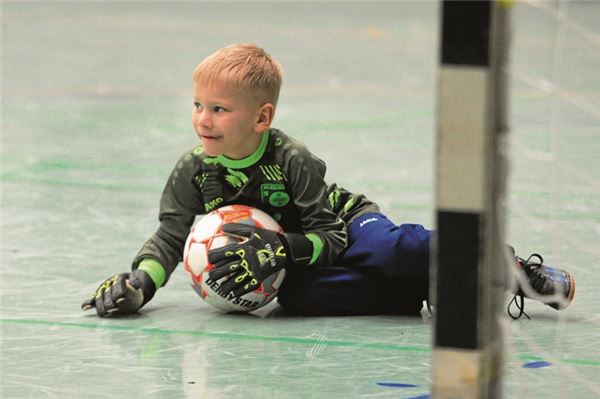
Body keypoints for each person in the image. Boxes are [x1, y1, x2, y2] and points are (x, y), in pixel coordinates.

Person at [81, 44, 575, 318]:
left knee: (384, 248)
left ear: (261, 117)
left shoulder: (290, 157)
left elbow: (332, 235)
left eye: (218, 109)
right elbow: (169, 236)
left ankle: (505, 264)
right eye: (197, 106)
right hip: (300, 258)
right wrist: (140, 283)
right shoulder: (193, 169)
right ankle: (422, 290)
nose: (202, 120)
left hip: (344, 224)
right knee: (297, 299)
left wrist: (280, 250)